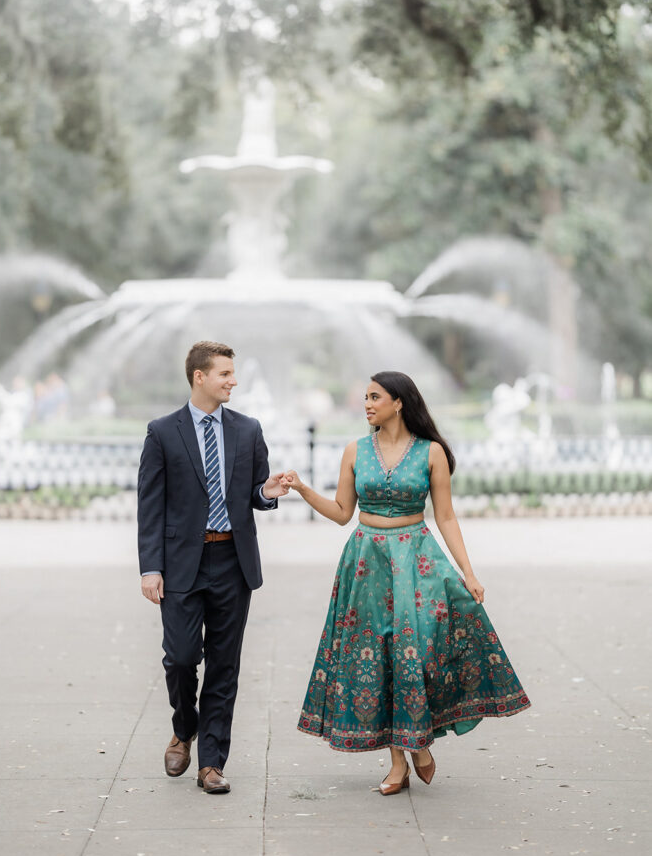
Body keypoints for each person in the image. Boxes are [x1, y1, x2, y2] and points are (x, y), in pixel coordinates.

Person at [286, 371, 530, 795]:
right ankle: (400, 759)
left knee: (417, 652)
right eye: (365, 397)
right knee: (380, 657)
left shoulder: (431, 452)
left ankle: (419, 742)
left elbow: (446, 516)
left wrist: (468, 573)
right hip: (366, 563)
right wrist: (303, 489)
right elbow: (343, 512)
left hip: (418, 561)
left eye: (375, 396)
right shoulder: (355, 450)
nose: (366, 404)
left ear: (399, 402)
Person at [138, 341, 290, 794]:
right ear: (199, 377)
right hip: (181, 563)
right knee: (182, 658)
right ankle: (184, 728)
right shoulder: (163, 432)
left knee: (225, 665)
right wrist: (151, 568)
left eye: (233, 372)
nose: (233, 381)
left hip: (232, 561)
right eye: (224, 373)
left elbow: (255, 495)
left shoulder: (247, 430)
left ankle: (212, 764)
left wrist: (269, 491)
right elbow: (150, 505)